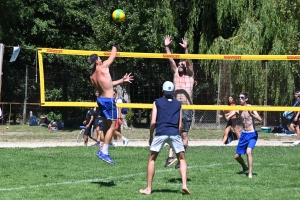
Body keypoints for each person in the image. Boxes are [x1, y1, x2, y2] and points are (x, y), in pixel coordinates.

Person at [139, 81, 190, 195]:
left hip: (161, 132)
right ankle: (184, 185)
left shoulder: (157, 102)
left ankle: (148, 189)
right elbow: (180, 125)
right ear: (173, 92)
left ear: (163, 90)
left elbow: (153, 122)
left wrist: (151, 135)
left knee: (152, 160)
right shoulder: (178, 104)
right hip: (174, 133)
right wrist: (178, 135)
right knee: (182, 159)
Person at [88, 44, 133, 164]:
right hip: (108, 101)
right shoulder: (103, 67)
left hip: (101, 101)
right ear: (97, 62)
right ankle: (104, 152)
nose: (101, 59)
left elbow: (107, 84)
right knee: (112, 127)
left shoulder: (92, 77)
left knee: (105, 127)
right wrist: (115, 45)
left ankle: (102, 147)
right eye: (99, 58)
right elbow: (112, 56)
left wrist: (122, 80)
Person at [164, 35, 194, 169]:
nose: (180, 65)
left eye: (183, 64)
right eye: (180, 64)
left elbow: (188, 61)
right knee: (173, 131)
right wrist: (167, 47)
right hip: (175, 107)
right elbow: (171, 60)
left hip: (187, 108)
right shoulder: (176, 73)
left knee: (184, 134)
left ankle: (180, 157)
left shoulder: (190, 76)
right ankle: (171, 157)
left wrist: (185, 49)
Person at [235, 92, 262, 178]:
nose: (240, 99)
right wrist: (224, 113)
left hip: (252, 134)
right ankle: (245, 167)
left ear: (246, 99)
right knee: (237, 156)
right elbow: (228, 118)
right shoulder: (238, 109)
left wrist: (252, 114)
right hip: (244, 134)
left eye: (242, 97)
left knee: (248, 152)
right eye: (239, 97)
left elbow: (260, 119)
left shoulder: (251, 107)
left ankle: (250, 173)